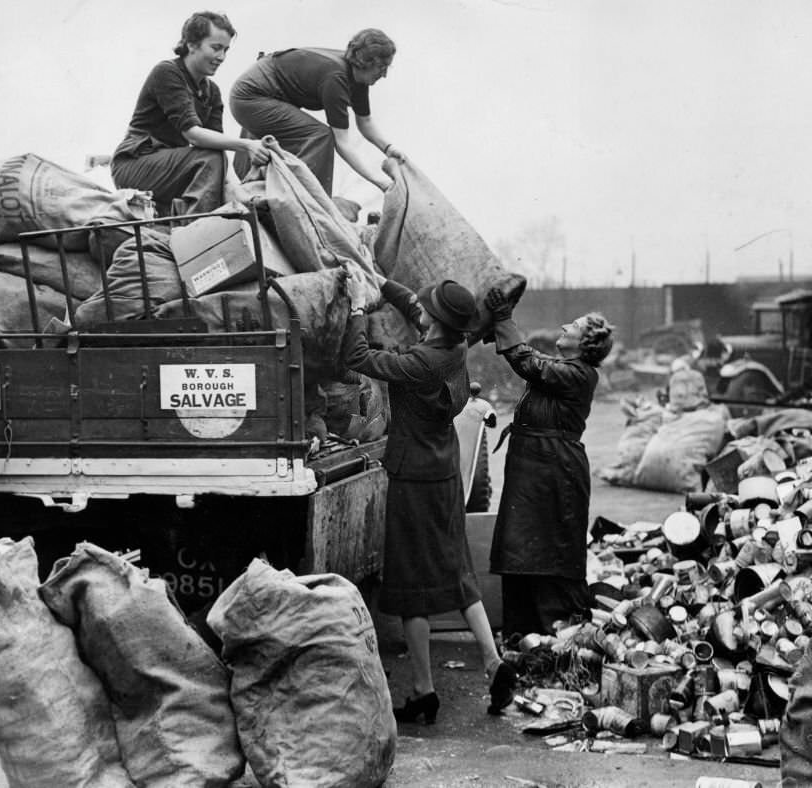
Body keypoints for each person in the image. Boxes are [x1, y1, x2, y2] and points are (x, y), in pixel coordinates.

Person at [343, 277, 516, 722]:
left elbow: (356, 357)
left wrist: (358, 308)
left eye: (425, 307)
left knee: (409, 584)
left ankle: (423, 691)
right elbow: (412, 304)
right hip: (443, 473)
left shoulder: (420, 362)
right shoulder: (454, 350)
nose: (417, 307)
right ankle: (494, 661)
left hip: (413, 478)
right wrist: (381, 281)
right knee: (456, 567)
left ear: (435, 320)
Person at [484, 287, 616, 640]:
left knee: (547, 551)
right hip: (537, 468)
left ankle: (556, 637)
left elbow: (527, 362)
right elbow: (529, 360)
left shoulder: (579, 374)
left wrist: (502, 321)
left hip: (555, 472)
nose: (562, 325)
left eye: (571, 325)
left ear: (584, 342)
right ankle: (521, 636)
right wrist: (498, 327)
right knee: (521, 549)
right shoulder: (566, 369)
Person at [111, 11, 272, 215]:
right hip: (135, 162)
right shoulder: (167, 72)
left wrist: (237, 190)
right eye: (215, 48)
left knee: (214, 159)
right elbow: (193, 135)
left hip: (170, 165)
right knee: (208, 158)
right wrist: (247, 145)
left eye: (225, 50)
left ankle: (211, 220)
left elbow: (217, 148)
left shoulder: (211, 92)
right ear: (191, 44)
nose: (221, 57)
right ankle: (197, 231)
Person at [229, 29, 405, 196]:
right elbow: (342, 143)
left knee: (306, 137)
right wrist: (380, 182)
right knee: (320, 136)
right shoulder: (336, 78)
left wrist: (389, 149)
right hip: (252, 97)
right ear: (366, 62)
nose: (384, 75)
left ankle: (276, 189)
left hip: (269, 96)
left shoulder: (357, 78)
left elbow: (364, 122)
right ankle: (307, 200)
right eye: (381, 67)